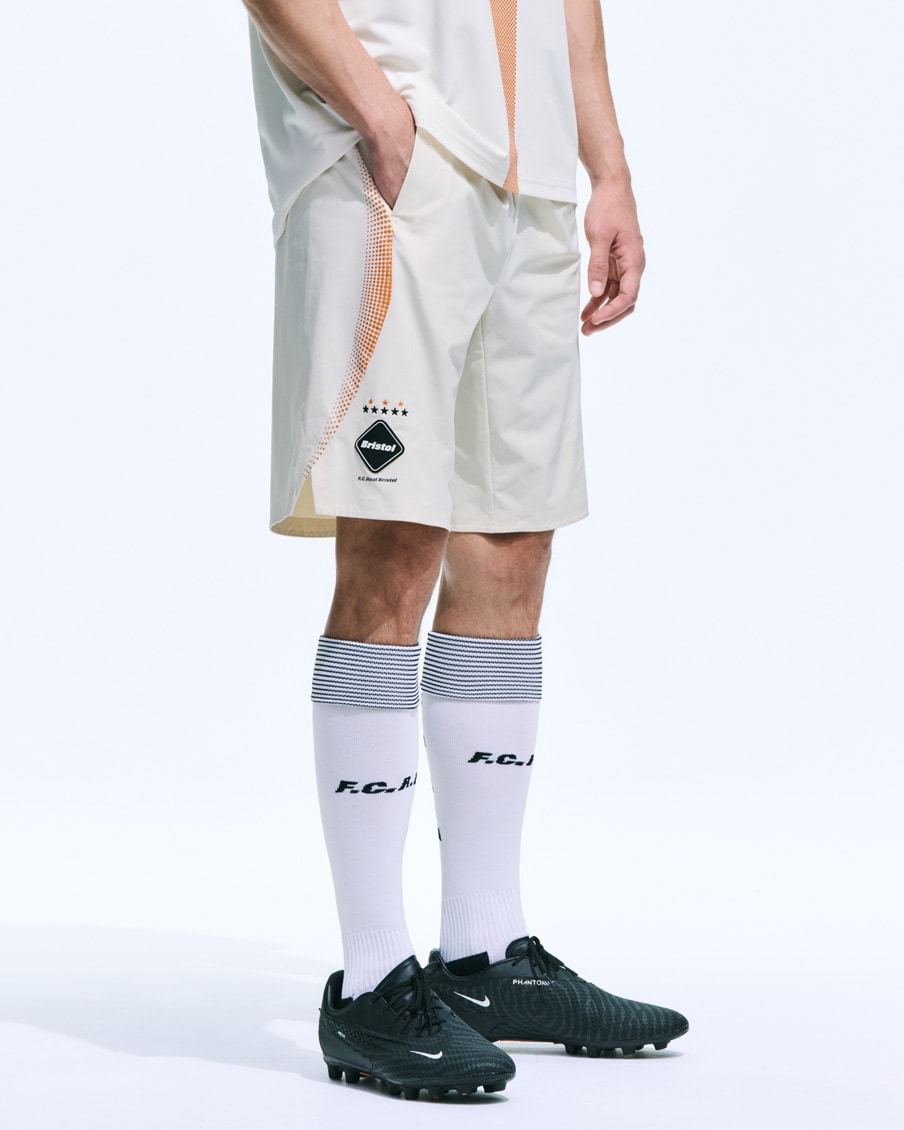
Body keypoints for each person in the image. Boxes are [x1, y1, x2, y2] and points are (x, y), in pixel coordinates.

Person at [242, 0, 688, 1101]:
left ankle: (485, 953)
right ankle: (370, 976)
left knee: (510, 545)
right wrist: (375, 109)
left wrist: (606, 168)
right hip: (400, 143)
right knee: (393, 544)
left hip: (532, 177)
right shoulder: (386, 127)